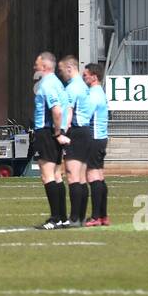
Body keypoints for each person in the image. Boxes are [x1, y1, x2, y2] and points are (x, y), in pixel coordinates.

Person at [31, 51, 69, 229]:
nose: (34, 67)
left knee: (47, 176)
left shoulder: (46, 85)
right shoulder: (58, 83)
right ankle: (62, 217)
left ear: (45, 67)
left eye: (37, 64)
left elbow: (57, 110)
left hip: (45, 133)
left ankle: (54, 219)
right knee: (57, 176)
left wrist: (57, 132)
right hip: (51, 133)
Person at [59, 54, 91, 226]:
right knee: (82, 177)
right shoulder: (84, 87)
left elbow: (68, 112)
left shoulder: (72, 88)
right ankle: (81, 217)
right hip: (87, 132)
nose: (61, 74)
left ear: (70, 68)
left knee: (72, 177)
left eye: (62, 70)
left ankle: (74, 218)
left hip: (76, 132)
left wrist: (62, 132)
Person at [81, 64, 111, 226]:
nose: (83, 77)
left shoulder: (93, 94)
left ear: (94, 77)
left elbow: (86, 115)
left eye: (85, 75)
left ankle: (95, 217)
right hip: (101, 138)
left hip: (94, 137)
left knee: (92, 176)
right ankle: (103, 216)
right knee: (99, 176)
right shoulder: (100, 92)